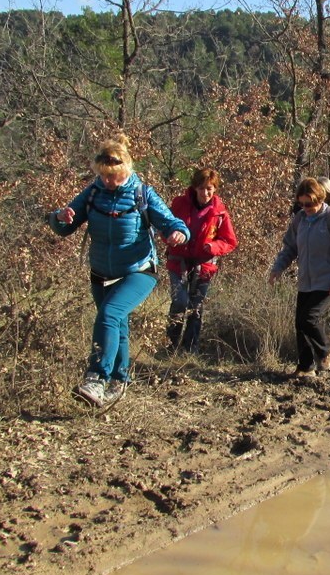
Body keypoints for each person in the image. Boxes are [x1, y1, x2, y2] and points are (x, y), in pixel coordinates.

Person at [49, 134, 189, 409]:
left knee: (109, 315)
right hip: (101, 272)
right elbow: (64, 225)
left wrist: (177, 234)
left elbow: (175, 224)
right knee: (117, 324)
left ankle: (96, 379)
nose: (108, 182)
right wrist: (59, 217)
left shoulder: (143, 194)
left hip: (138, 271)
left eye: (113, 177)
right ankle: (118, 382)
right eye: (103, 176)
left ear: (126, 170)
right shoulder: (92, 193)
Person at [269, 177, 330, 374]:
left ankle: (324, 351)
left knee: (309, 318)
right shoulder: (299, 219)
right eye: (302, 203)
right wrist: (277, 268)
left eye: (310, 203)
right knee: (300, 324)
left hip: (327, 281)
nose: (306, 207)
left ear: (320, 199)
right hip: (306, 280)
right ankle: (305, 367)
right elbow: (290, 248)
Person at [165, 167, 238, 353]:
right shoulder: (180, 204)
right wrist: (171, 236)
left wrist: (213, 247)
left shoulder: (220, 212)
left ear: (215, 190)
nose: (205, 193)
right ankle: (170, 345)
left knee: (196, 306)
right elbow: (165, 225)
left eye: (209, 189)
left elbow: (230, 241)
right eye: (201, 188)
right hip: (178, 260)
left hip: (204, 265)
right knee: (180, 301)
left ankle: (190, 349)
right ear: (194, 188)